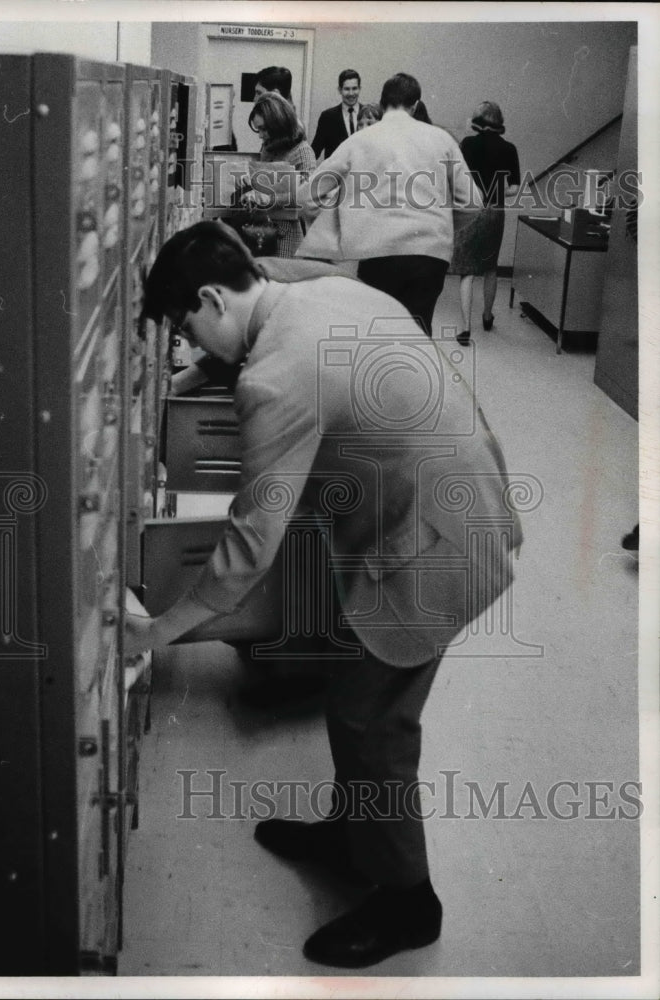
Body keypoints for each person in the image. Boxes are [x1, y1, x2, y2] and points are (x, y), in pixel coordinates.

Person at [129, 220, 522, 968]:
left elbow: (248, 549)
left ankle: (409, 903)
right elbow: (270, 268)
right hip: (455, 503)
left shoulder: (275, 379)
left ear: (214, 297)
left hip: (437, 550)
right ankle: (351, 836)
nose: (190, 349)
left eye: (186, 330)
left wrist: (157, 631)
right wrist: (195, 370)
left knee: (372, 720)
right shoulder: (329, 291)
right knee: (354, 689)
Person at [298, 72, 481, 338]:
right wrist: (438, 225)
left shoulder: (360, 140)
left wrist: (339, 221)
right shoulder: (442, 139)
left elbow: (307, 195)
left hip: (378, 252)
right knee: (418, 332)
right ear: (416, 105)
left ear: (382, 104)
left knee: (377, 333)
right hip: (431, 254)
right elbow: (473, 203)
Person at [451, 101, 520, 345]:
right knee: (490, 267)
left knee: (467, 270)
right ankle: (488, 316)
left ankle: (466, 328)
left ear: (478, 121)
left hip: (469, 209)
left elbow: (457, 177)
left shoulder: (468, 144)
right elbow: (513, 189)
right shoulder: (509, 149)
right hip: (494, 211)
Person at [240, 92, 316, 258]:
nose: (260, 135)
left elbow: (308, 196)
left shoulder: (302, 151)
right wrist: (250, 189)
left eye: (264, 129)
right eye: (258, 129)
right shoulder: (268, 147)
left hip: (287, 237)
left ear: (278, 124)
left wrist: (269, 199)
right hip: (263, 232)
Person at [310, 69, 361, 159]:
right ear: (339, 90)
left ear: (359, 89)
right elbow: (315, 151)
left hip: (362, 172)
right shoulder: (327, 117)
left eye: (354, 88)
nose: (351, 93)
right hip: (335, 172)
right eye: (347, 89)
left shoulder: (369, 115)